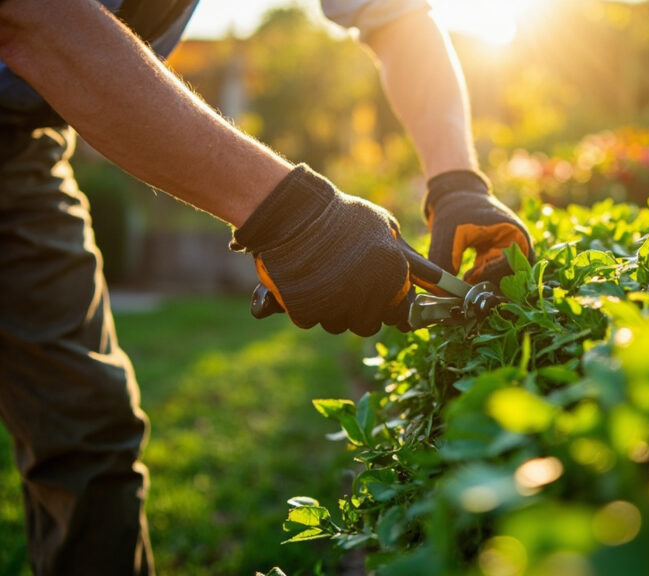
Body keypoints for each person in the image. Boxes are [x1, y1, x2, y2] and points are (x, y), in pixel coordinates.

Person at [0, 0, 533, 573]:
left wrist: (456, 180)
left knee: (85, 433)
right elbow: (32, 17)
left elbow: (396, 16)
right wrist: (288, 214)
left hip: (19, 145)